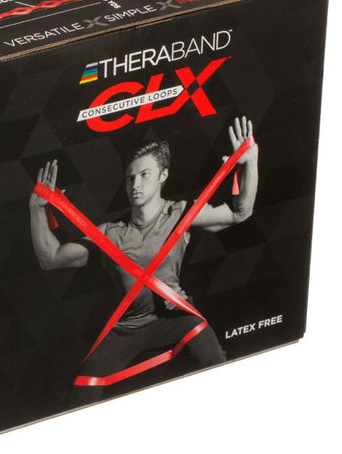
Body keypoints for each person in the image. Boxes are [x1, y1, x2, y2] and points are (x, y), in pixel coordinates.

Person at [29, 116, 259, 385]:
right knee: (82, 387)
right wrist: (36, 209)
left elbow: (240, 212)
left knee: (214, 361)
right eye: (130, 178)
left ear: (163, 175)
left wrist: (250, 163)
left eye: (144, 175)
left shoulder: (181, 214)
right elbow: (51, 258)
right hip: (127, 327)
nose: (135, 184)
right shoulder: (111, 233)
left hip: (175, 315)